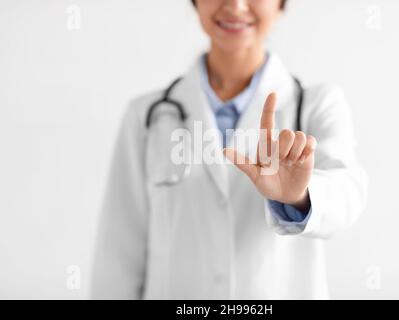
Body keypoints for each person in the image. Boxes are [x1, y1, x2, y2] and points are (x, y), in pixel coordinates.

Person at [91, 0, 368, 299]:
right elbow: (118, 258)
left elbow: (346, 194)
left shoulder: (317, 105)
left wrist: (298, 197)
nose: (235, 6)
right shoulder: (145, 116)